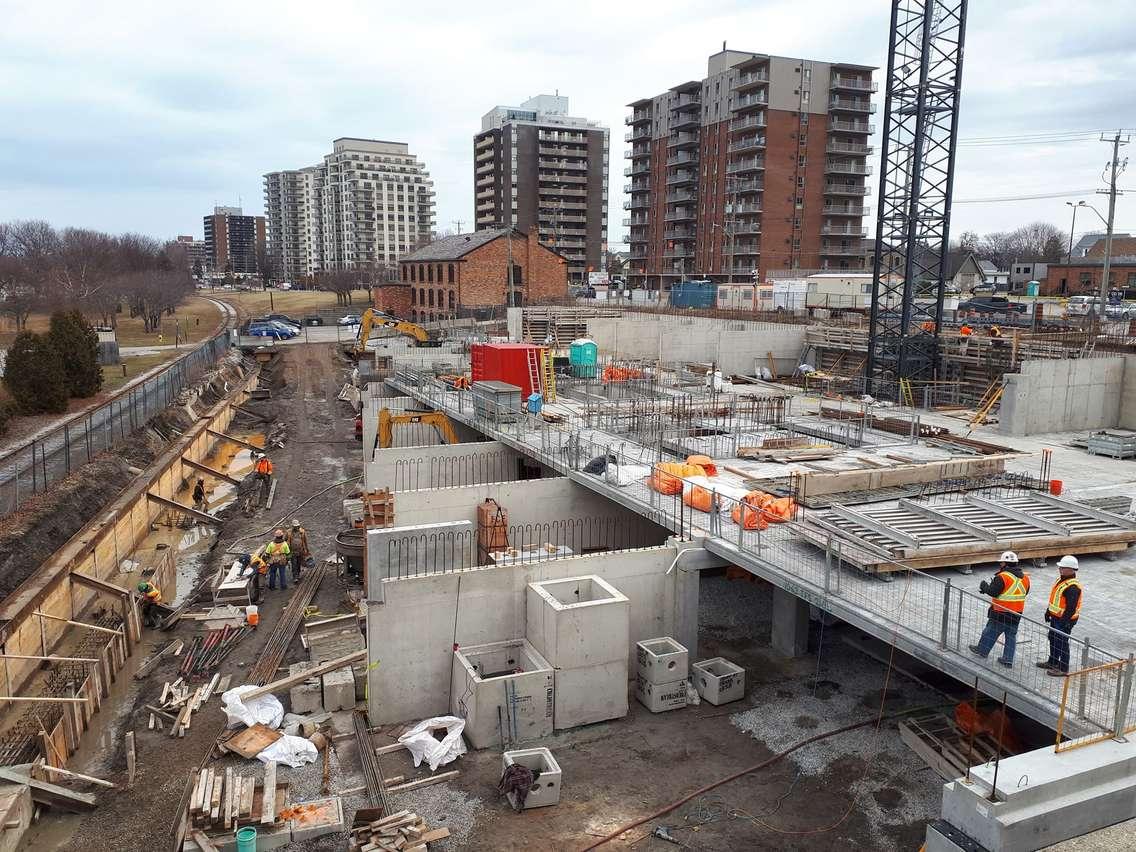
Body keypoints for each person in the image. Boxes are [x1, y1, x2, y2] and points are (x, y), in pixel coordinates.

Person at [970, 551, 1030, 668]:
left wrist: (984, 586)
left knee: (990, 631)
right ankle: (1008, 659)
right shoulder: (1025, 578)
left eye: (1001, 562)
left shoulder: (1002, 577)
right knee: (1011, 636)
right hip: (1017, 613)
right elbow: (1025, 593)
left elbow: (993, 592)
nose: (1000, 564)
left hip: (1000, 611)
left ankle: (982, 650)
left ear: (1005, 564)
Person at [1040, 555, 1082, 676]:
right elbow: (1056, 599)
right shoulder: (1061, 580)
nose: (1060, 569)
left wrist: (1064, 622)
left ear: (1071, 569)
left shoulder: (1073, 587)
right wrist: (1048, 612)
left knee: (1062, 643)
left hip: (1064, 620)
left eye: (1063, 567)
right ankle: (1053, 662)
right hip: (1056, 617)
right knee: (1053, 638)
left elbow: (1070, 608)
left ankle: (1063, 668)